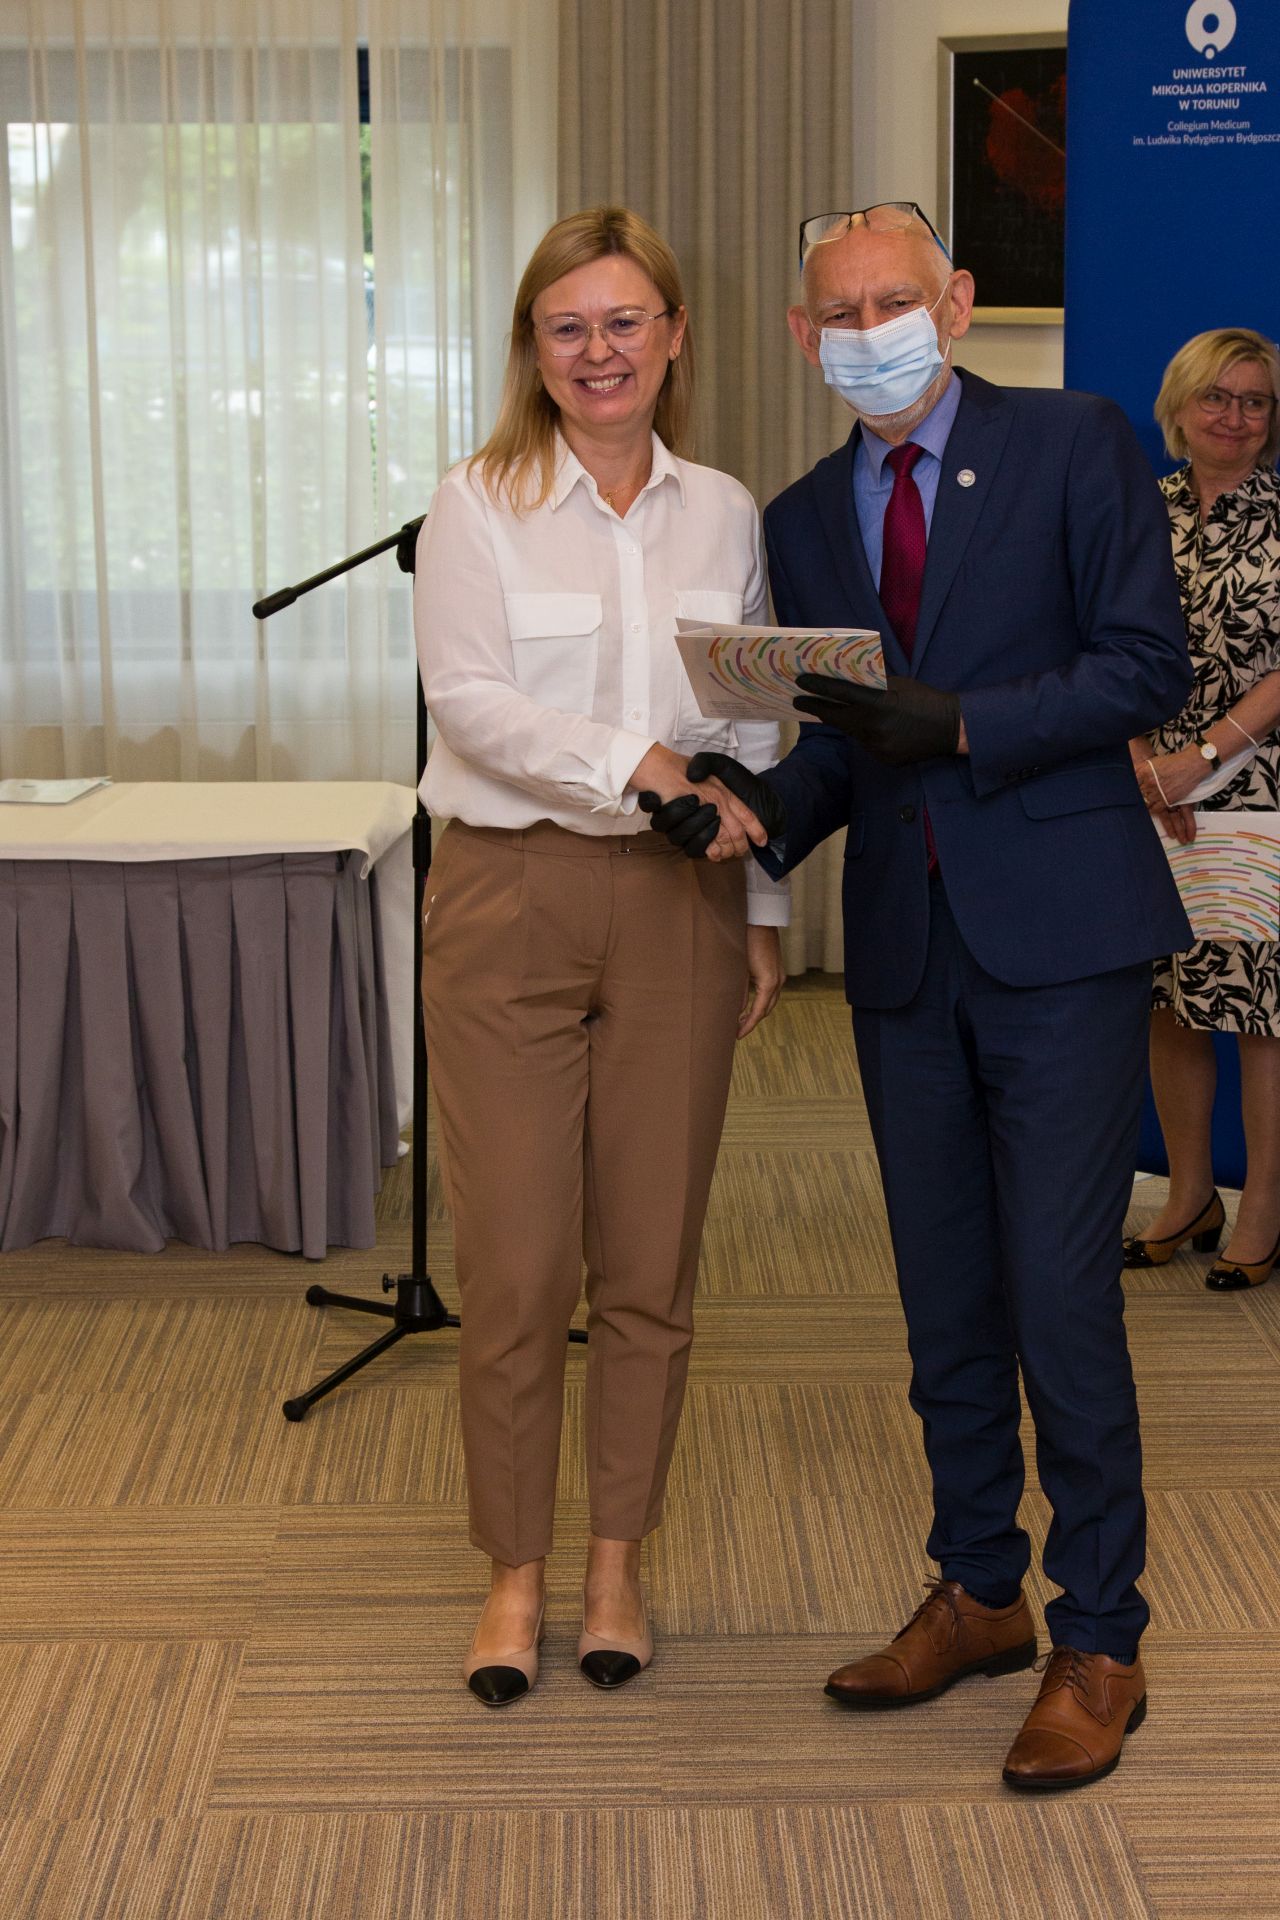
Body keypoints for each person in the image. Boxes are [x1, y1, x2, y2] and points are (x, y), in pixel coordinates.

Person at [646, 202, 1192, 1789]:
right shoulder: (808, 514)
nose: (870, 329)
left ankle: (1104, 1637)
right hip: (903, 948)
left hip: (1064, 938)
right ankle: (978, 1590)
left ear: (953, 303)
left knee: (1060, 1297)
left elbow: (1145, 667)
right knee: (944, 1295)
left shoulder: (1075, 442)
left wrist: (961, 725)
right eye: (840, 312)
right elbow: (844, 746)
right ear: (802, 337)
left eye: (896, 299)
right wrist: (752, 811)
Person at [415, 205, 787, 1708]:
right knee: (517, 1264)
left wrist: (761, 915)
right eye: (567, 327)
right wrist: (633, 759)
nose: (599, 351)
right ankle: (512, 1572)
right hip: (508, 899)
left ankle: (615, 1562)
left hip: (680, 907)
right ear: (534, 348)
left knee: (649, 1260)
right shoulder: (476, 501)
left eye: (625, 321)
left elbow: (753, 723)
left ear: (674, 335)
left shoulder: (727, 513)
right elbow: (469, 702)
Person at [1124, 328, 1280, 1291]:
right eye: (1217, 397)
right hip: (1145, 791)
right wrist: (1144, 762)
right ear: (1178, 407)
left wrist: (1203, 758)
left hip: (1260, 789)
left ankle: (1261, 1205)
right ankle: (1189, 1193)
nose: (1235, 416)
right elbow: (1092, 640)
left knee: (1262, 1008)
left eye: (1255, 401)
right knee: (1170, 997)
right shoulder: (1135, 513)